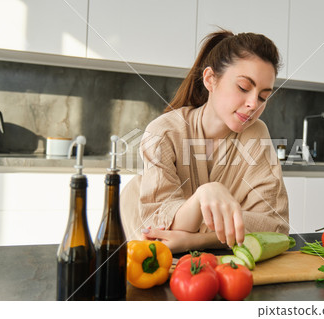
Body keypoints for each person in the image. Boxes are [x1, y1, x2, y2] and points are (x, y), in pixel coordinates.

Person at [120, 29, 289, 253]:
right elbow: (161, 229)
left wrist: (194, 240)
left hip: (220, 265)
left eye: (263, 97)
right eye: (243, 88)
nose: (253, 104)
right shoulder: (164, 132)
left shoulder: (256, 133)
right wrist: (205, 194)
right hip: (150, 256)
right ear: (210, 79)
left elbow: (274, 227)